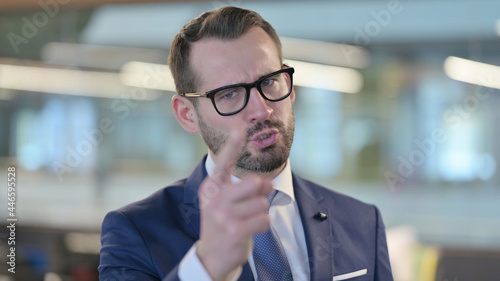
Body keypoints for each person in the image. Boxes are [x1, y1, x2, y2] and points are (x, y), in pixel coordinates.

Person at [98, 6, 393, 281]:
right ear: (188, 115)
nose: (261, 110)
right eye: (229, 94)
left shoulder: (362, 222)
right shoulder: (135, 231)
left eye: (269, 82)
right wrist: (206, 267)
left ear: (290, 90)